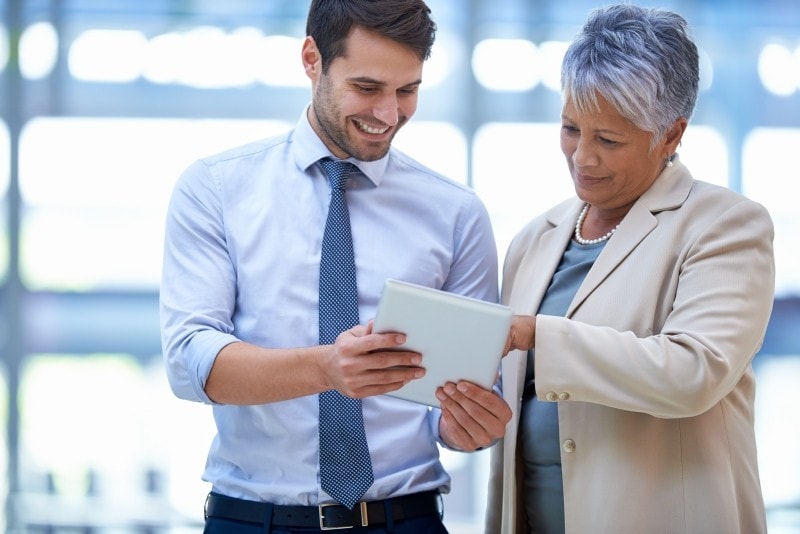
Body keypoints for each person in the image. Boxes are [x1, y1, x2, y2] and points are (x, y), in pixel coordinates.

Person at [160, 0, 511, 532]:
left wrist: (469, 425)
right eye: (367, 88)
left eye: (408, 90)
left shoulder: (456, 214)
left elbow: (462, 397)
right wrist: (327, 368)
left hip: (406, 517)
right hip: (254, 519)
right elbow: (191, 362)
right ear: (311, 59)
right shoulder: (217, 189)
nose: (389, 115)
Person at [485, 4, 774, 534]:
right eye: (571, 128)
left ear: (671, 135)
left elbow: (693, 372)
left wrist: (536, 335)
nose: (582, 158)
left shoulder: (726, 226)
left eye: (609, 140)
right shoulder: (533, 240)